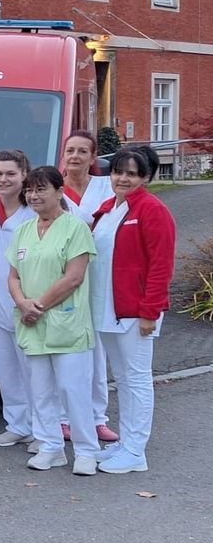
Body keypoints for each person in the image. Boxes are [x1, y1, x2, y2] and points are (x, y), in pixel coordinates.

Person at [89, 146, 177, 474]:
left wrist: (150, 312)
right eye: (118, 171)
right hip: (108, 309)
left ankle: (136, 451)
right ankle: (125, 443)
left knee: (137, 380)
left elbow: (160, 265)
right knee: (123, 379)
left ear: (146, 177)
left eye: (132, 173)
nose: (123, 178)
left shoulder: (152, 210)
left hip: (136, 313)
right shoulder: (108, 208)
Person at [6, 166, 98, 475]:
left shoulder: (75, 228)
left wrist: (39, 305)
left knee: (73, 391)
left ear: (59, 192)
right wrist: (22, 303)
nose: (33, 195)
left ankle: (86, 450)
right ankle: (51, 446)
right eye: (29, 190)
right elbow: (13, 275)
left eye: (40, 189)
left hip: (65, 323)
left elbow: (74, 277)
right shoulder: (23, 230)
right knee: (40, 391)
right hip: (33, 323)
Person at [59, 129, 118, 444]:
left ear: (93, 157)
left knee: (96, 352)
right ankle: (64, 418)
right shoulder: (55, 190)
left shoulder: (105, 187)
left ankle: (97, 418)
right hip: (64, 278)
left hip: (98, 278)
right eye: (71, 150)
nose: (76, 157)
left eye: (83, 151)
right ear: (63, 154)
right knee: (66, 348)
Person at [0, 150, 36, 447]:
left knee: (34, 370)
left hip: (26, 303)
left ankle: (43, 429)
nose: (3, 179)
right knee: (6, 367)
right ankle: (17, 423)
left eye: (10, 173)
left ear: (24, 175)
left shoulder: (34, 213)